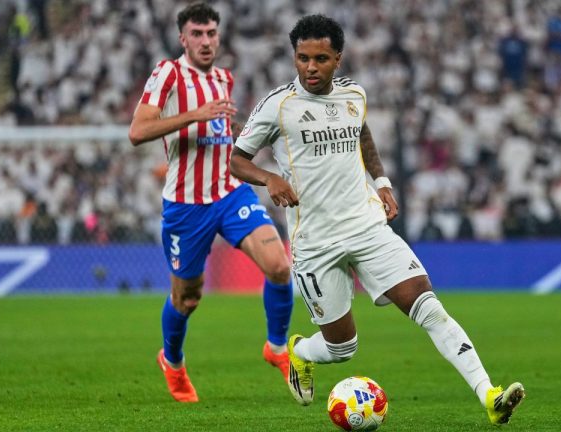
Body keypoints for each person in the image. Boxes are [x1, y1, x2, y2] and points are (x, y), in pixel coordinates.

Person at [230, 14, 525, 425]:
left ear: (338, 59)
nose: (310, 67)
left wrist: (381, 181)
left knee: (429, 307)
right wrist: (269, 178)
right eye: (302, 58)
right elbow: (237, 161)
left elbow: (362, 134)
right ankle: (298, 351)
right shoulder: (277, 107)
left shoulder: (354, 95)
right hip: (315, 243)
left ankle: (489, 396)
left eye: (321, 58)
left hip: (367, 226)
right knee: (341, 348)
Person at [128, 3, 294, 403]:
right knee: (188, 297)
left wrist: (239, 132)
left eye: (211, 34)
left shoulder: (223, 77)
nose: (206, 41)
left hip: (230, 191)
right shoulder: (166, 73)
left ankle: (276, 347)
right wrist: (194, 115)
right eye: (197, 34)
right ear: (183, 38)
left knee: (279, 266)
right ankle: (172, 360)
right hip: (187, 205)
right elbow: (137, 131)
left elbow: (218, 126)